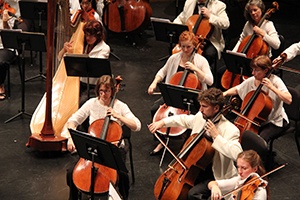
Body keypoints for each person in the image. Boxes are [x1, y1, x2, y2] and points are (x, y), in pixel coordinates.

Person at [148, 87, 243, 200]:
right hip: (195, 168)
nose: (200, 109)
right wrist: (163, 122)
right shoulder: (201, 117)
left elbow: (237, 154)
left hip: (215, 174)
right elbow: (184, 119)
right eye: (200, 105)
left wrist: (216, 137)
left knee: (192, 194)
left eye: (204, 106)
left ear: (216, 108)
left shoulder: (230, 129)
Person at [61, 75, 141, 200]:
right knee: (71, 172)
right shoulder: (91, 103)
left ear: (113, 91)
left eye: (107, 91)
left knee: (123, 177)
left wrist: (118, 116)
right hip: (93, 147)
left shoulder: (120, 106)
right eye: (101, 91)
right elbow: (72, 121)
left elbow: (137, 125)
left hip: (113, 149)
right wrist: (71, 138)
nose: (104, 94)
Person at [148, 30, 213, 155]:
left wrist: (195, 69)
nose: (185, 49)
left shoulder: (201, 61)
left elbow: (210, 81)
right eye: (183, 46)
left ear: (194, 45)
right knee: (154, 108)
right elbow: (162, 72)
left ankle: (187, 145)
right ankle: (160, 141)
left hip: (194, 97)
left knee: (194, 118)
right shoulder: (174, 58)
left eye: (188, 46)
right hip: (174, 93)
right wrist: (154, 82)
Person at [223, 55, 292, 143]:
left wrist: (272, 87)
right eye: (252, 70)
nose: (252, 73)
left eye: (256, 70)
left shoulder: (276, 81)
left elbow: (289, 100)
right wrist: (224, 94)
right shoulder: (253, 79)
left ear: (266, 70)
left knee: (259, 141)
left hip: (274, 121)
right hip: (257, 120)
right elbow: (237, 89)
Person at [173, 0, 230, 73]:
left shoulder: (219, 5)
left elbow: (226, 24)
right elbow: (182, 17)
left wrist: (210, 16)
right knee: (178, 52)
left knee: (208, 54)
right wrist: (174, 25)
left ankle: (203, 75)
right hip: (191, 37)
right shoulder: (189, 2)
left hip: (210, 40)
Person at [58, 19, 109, 99]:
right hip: (81, 83)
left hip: (93, 86)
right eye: (86, 35)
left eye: (91, 35)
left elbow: (95, 67)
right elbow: (59, 58)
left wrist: (76, 57)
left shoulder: (104, 48)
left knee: (81, 102)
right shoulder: (83, 44)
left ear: (98, 35)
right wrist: (64, 50)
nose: (88, 38)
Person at [0, 0, 18, 100]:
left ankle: (0, 84)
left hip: (5, 47)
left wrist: (4, 22)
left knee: (1, 61)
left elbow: (9, 37)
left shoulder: (8, 11)